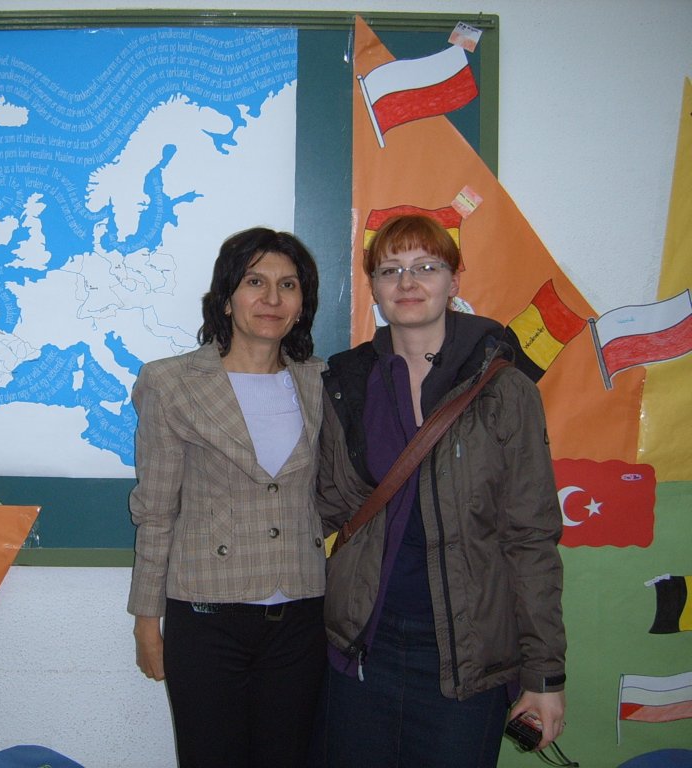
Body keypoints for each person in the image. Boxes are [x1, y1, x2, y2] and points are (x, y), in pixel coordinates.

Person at [314, 214, 566, 767]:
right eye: (390, 270)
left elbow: (531, 539)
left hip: (466, 661)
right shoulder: (345, 383)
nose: (407, 282)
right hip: (361, 646)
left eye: (426, 267)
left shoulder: (505, 390)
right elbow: (325, 508)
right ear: (373, 286)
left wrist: (544, 676)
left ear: (454, 280)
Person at [128, 227, 328, 768]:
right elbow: (156, 510)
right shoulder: (171, 383)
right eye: (255, 282)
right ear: (226, 298)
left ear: (302, 305)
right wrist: (146, 619)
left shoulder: (321, 382)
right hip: (206, 616)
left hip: (302, 615)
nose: (272, 298)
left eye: (288, 285)